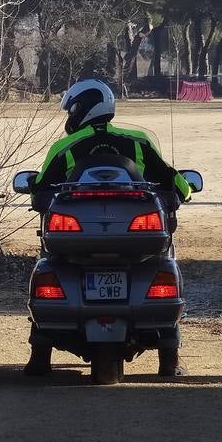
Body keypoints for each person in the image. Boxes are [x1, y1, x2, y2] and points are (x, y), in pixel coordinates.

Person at [25, 78, 191, 378]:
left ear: (82, 109)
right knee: (164, 261)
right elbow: (174, 181)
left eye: (71, 111)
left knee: (49, 261)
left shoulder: (65, 147)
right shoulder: (139, 142)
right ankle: (170, 359)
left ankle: (39, 355)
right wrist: (184, 191)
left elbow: (40, 191)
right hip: (137, 239)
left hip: (75, 241)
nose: (69, 117)